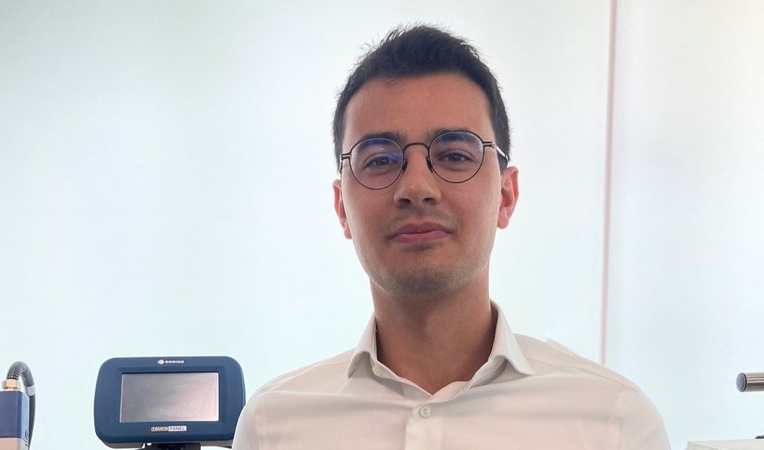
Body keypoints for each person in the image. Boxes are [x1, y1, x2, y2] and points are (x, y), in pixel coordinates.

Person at [232, 25, 670, 449]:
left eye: (455, 155)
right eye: (380, 160)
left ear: (506, 195)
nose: (416, 187)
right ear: (342, 207)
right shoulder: (273, 428)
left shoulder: (613, 425)